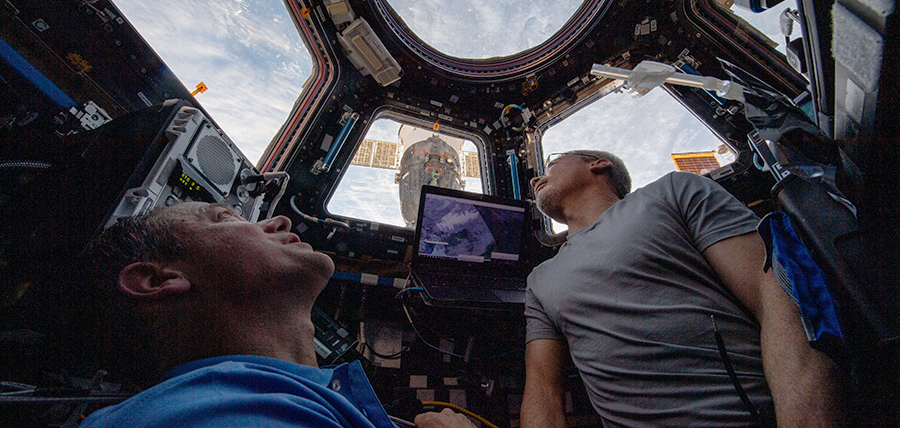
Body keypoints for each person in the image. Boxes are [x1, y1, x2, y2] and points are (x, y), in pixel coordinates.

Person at [74, 202, 474, 428]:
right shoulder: (213, 417)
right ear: (157, 279)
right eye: (226, 217)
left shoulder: (272, 402)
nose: (279, 220)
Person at [520, 150, 842, 427]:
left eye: (550, 167)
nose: (536, 180)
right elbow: (543, 392)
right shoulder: (539, 280)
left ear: (598, 164)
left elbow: (775, 293)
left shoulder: (670, 192)